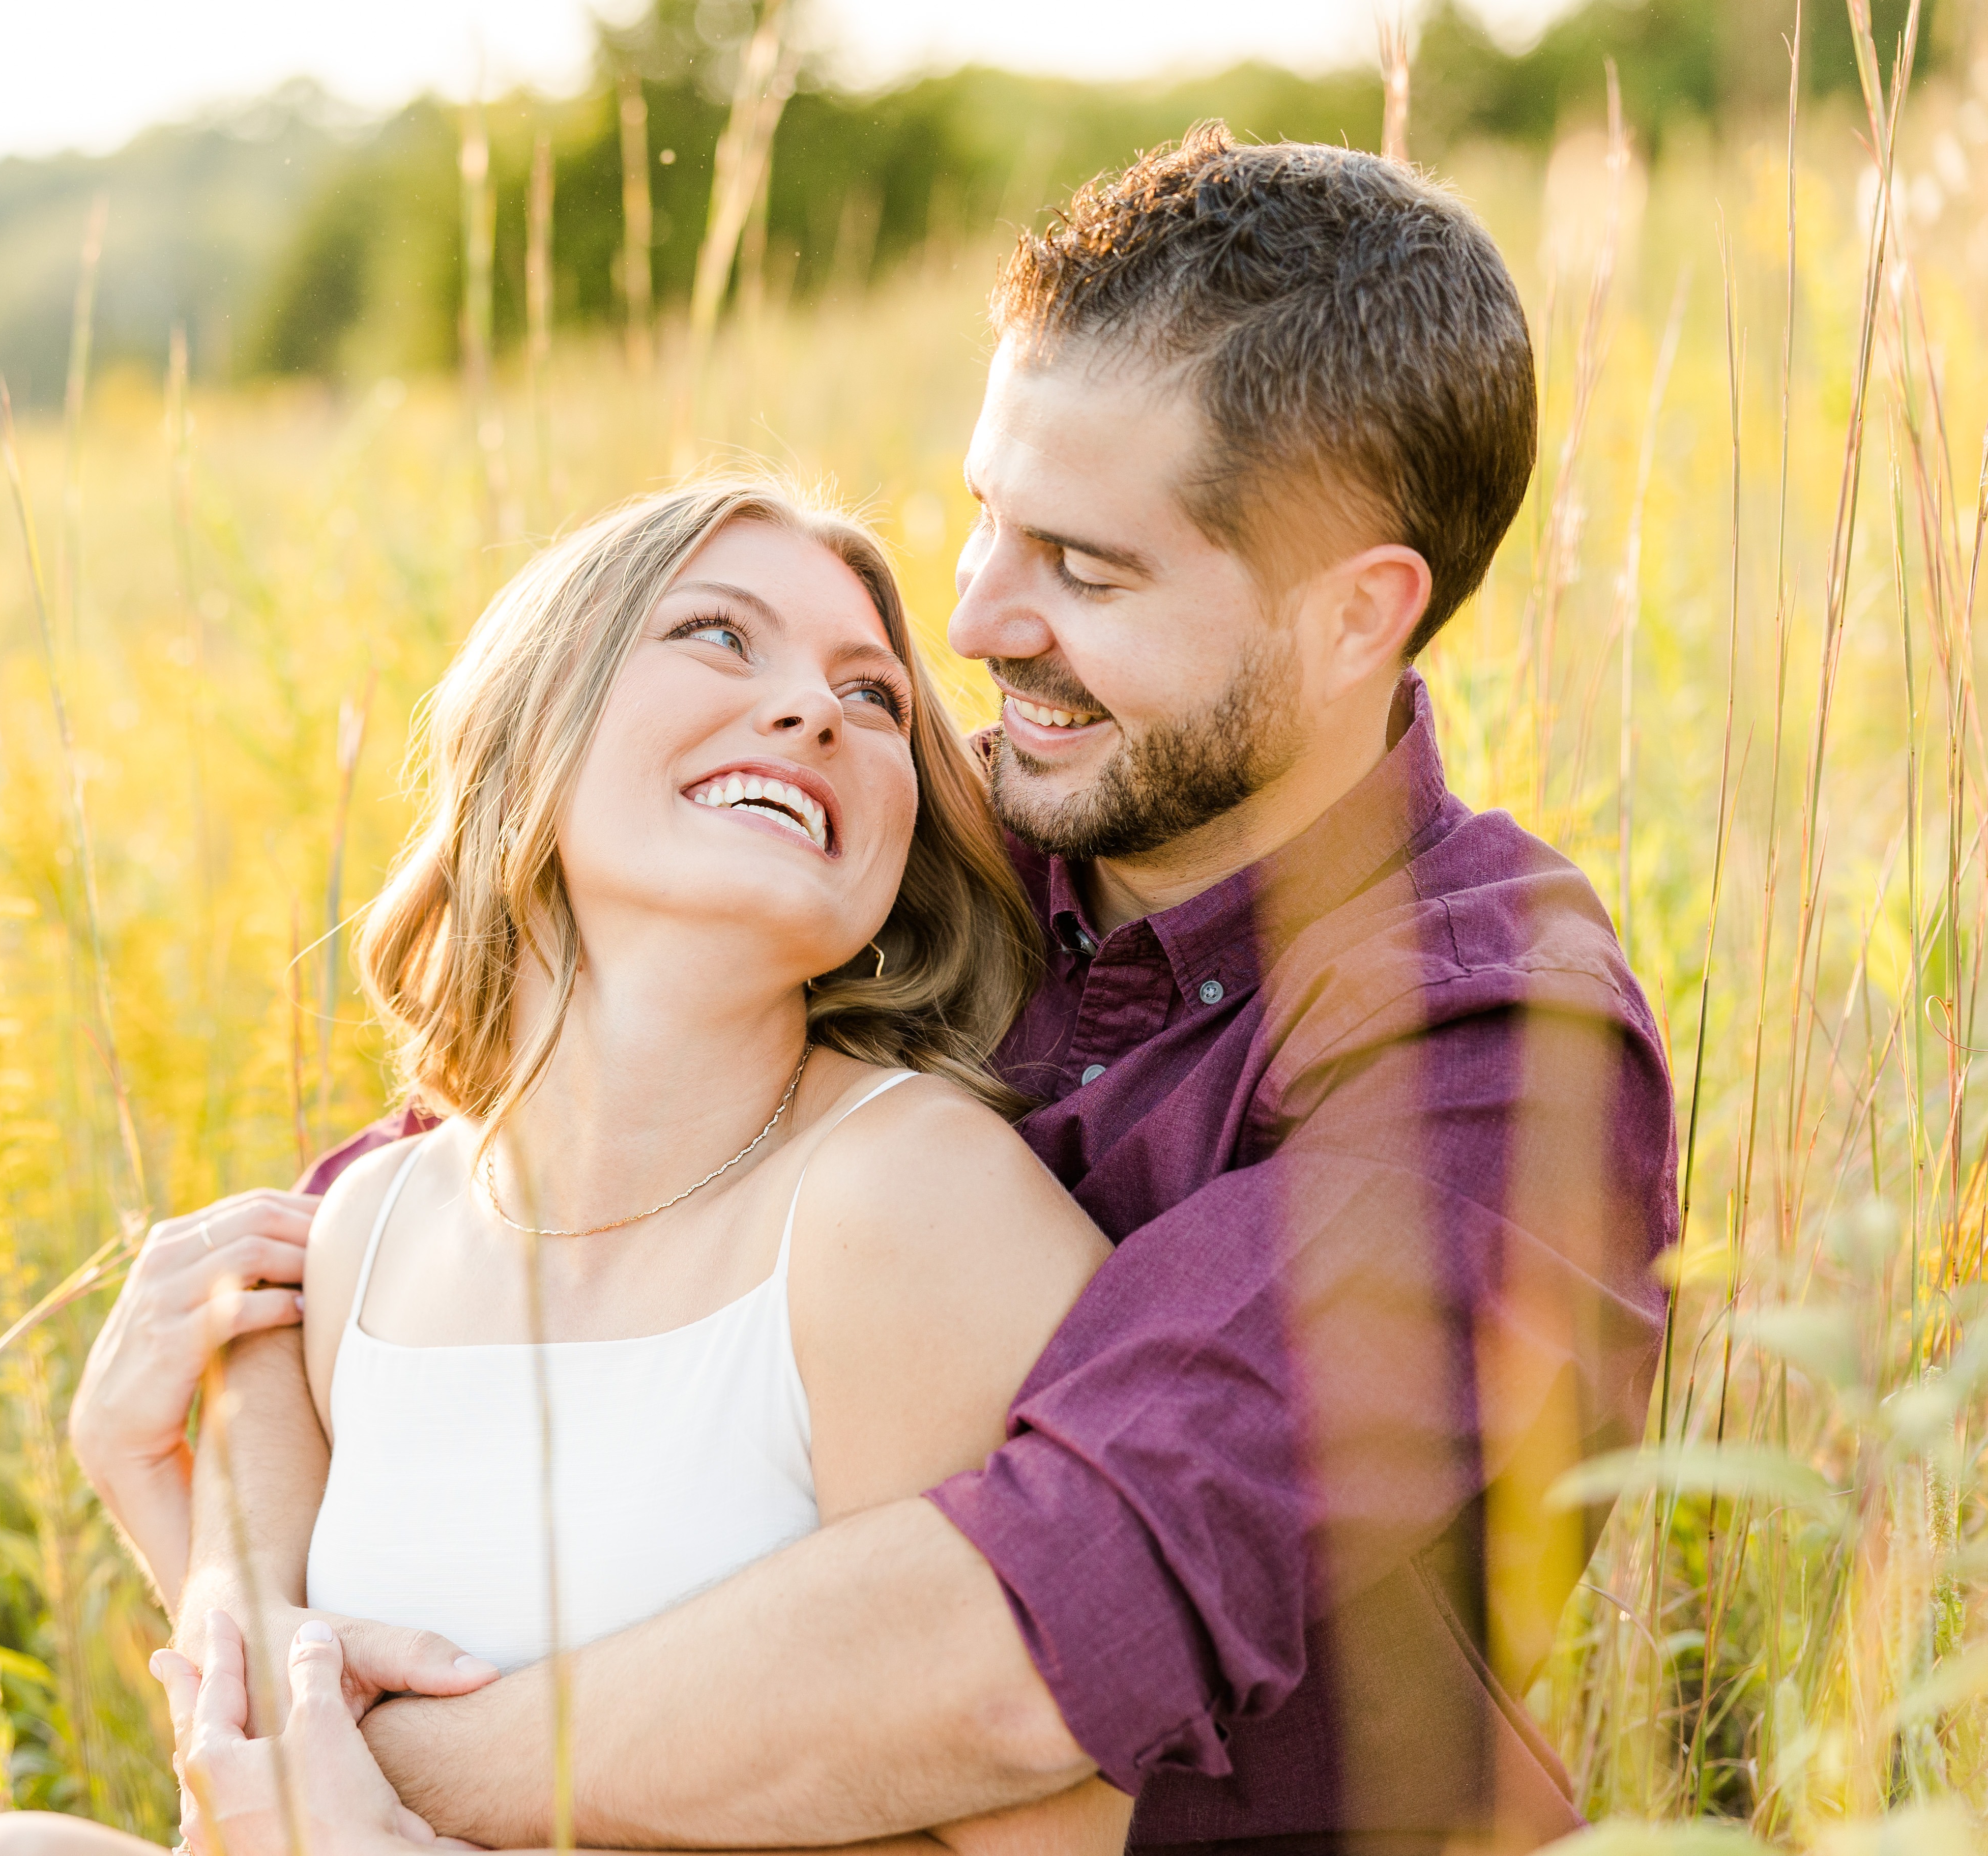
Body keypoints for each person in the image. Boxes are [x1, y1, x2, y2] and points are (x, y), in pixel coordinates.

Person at [86, 123, 1678, 1856]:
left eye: (1086, 566)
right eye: (988, 518)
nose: (978, 622)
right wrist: (248, 1602)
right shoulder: (900, 832)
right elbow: (451, 1199)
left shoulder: (1487, 1055)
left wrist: (348, 1779)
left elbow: (1031, 1636)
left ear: (1352, 618)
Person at [0, 476, 1142, 1856]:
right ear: (531, 731)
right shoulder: (370, 1233)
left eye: (873, 697)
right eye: (717, 635)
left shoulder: (904, 1199)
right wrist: (162, 1505)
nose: (816, 710)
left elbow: (1057, 1829)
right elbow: (279, 1779)